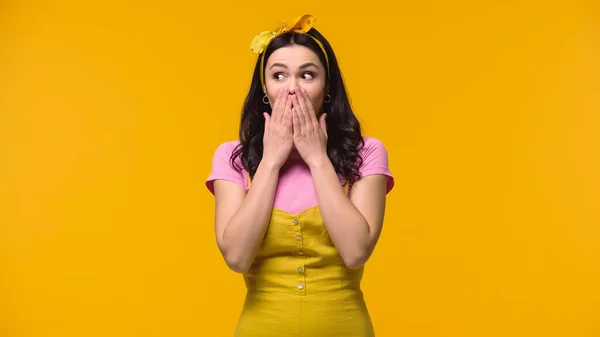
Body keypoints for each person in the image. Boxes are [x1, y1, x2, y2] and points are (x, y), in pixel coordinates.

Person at [205, 14, 394, 337]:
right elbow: (236, 257)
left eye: (307, 75)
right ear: (264, 88)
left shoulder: (367, 152)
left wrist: (317, 158)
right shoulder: (232, 157)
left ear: (328, 86)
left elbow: (355, 251)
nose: (292, 89)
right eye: (279, 76)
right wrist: (271, 161)